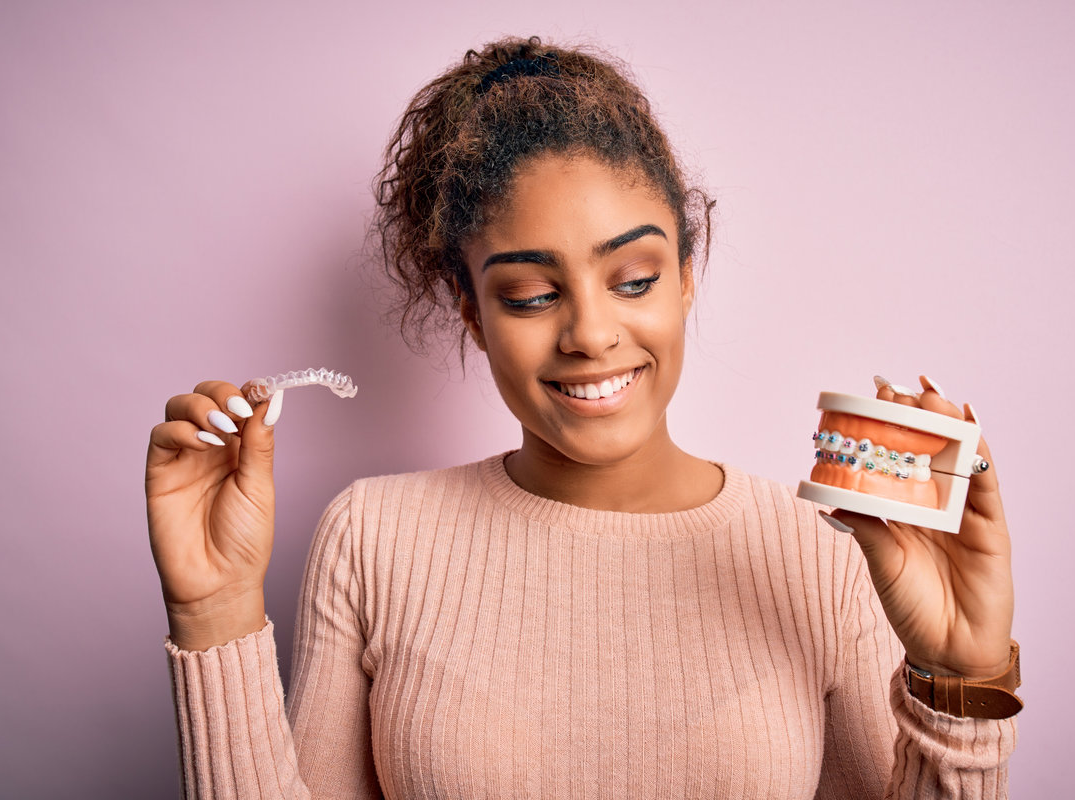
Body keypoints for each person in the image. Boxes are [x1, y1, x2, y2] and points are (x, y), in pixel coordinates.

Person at [146, 37, 1019, 799]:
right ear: (470, 311)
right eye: (530, 294)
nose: (593, 334)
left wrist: (962, 681)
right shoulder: (373, 538)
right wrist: (216, 609)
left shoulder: (823, 557)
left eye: (634, 279)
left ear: (686, 275)